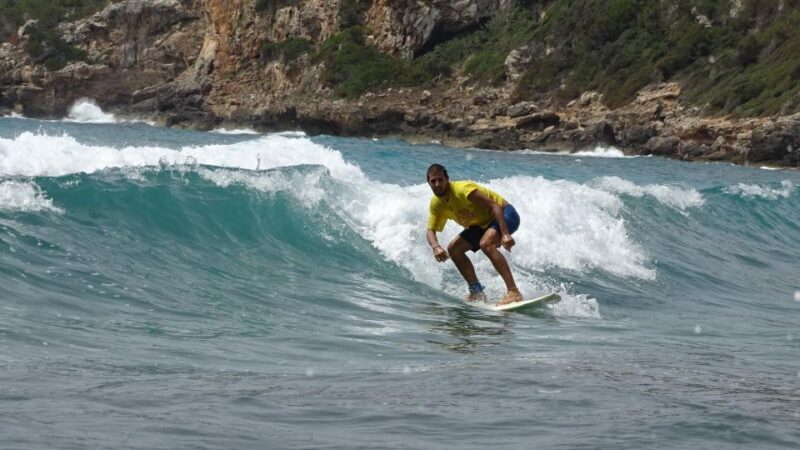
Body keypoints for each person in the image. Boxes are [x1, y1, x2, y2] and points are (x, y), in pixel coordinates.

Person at [425, 163, 523, 305]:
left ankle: (513, 291)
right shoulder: (436, 203)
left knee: (486, 244)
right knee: (454, 249)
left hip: (505, 214)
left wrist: (505, 234)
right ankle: (477, 292)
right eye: (433, 181)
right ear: (428, 183)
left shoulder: (463, 190)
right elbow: (430, 231)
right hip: (481, 224)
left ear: (447, 179)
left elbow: (495, 205)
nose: (437, 184)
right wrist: (436, 247)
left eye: (440, 179)